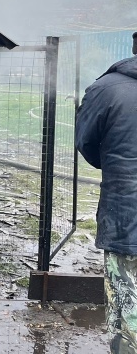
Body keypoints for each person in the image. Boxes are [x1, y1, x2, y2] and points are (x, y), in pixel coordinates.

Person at [75, 31, 137, 353]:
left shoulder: (105, 88)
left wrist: (111, 164)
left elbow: (86, 142)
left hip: (124, 206)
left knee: (126, 289)